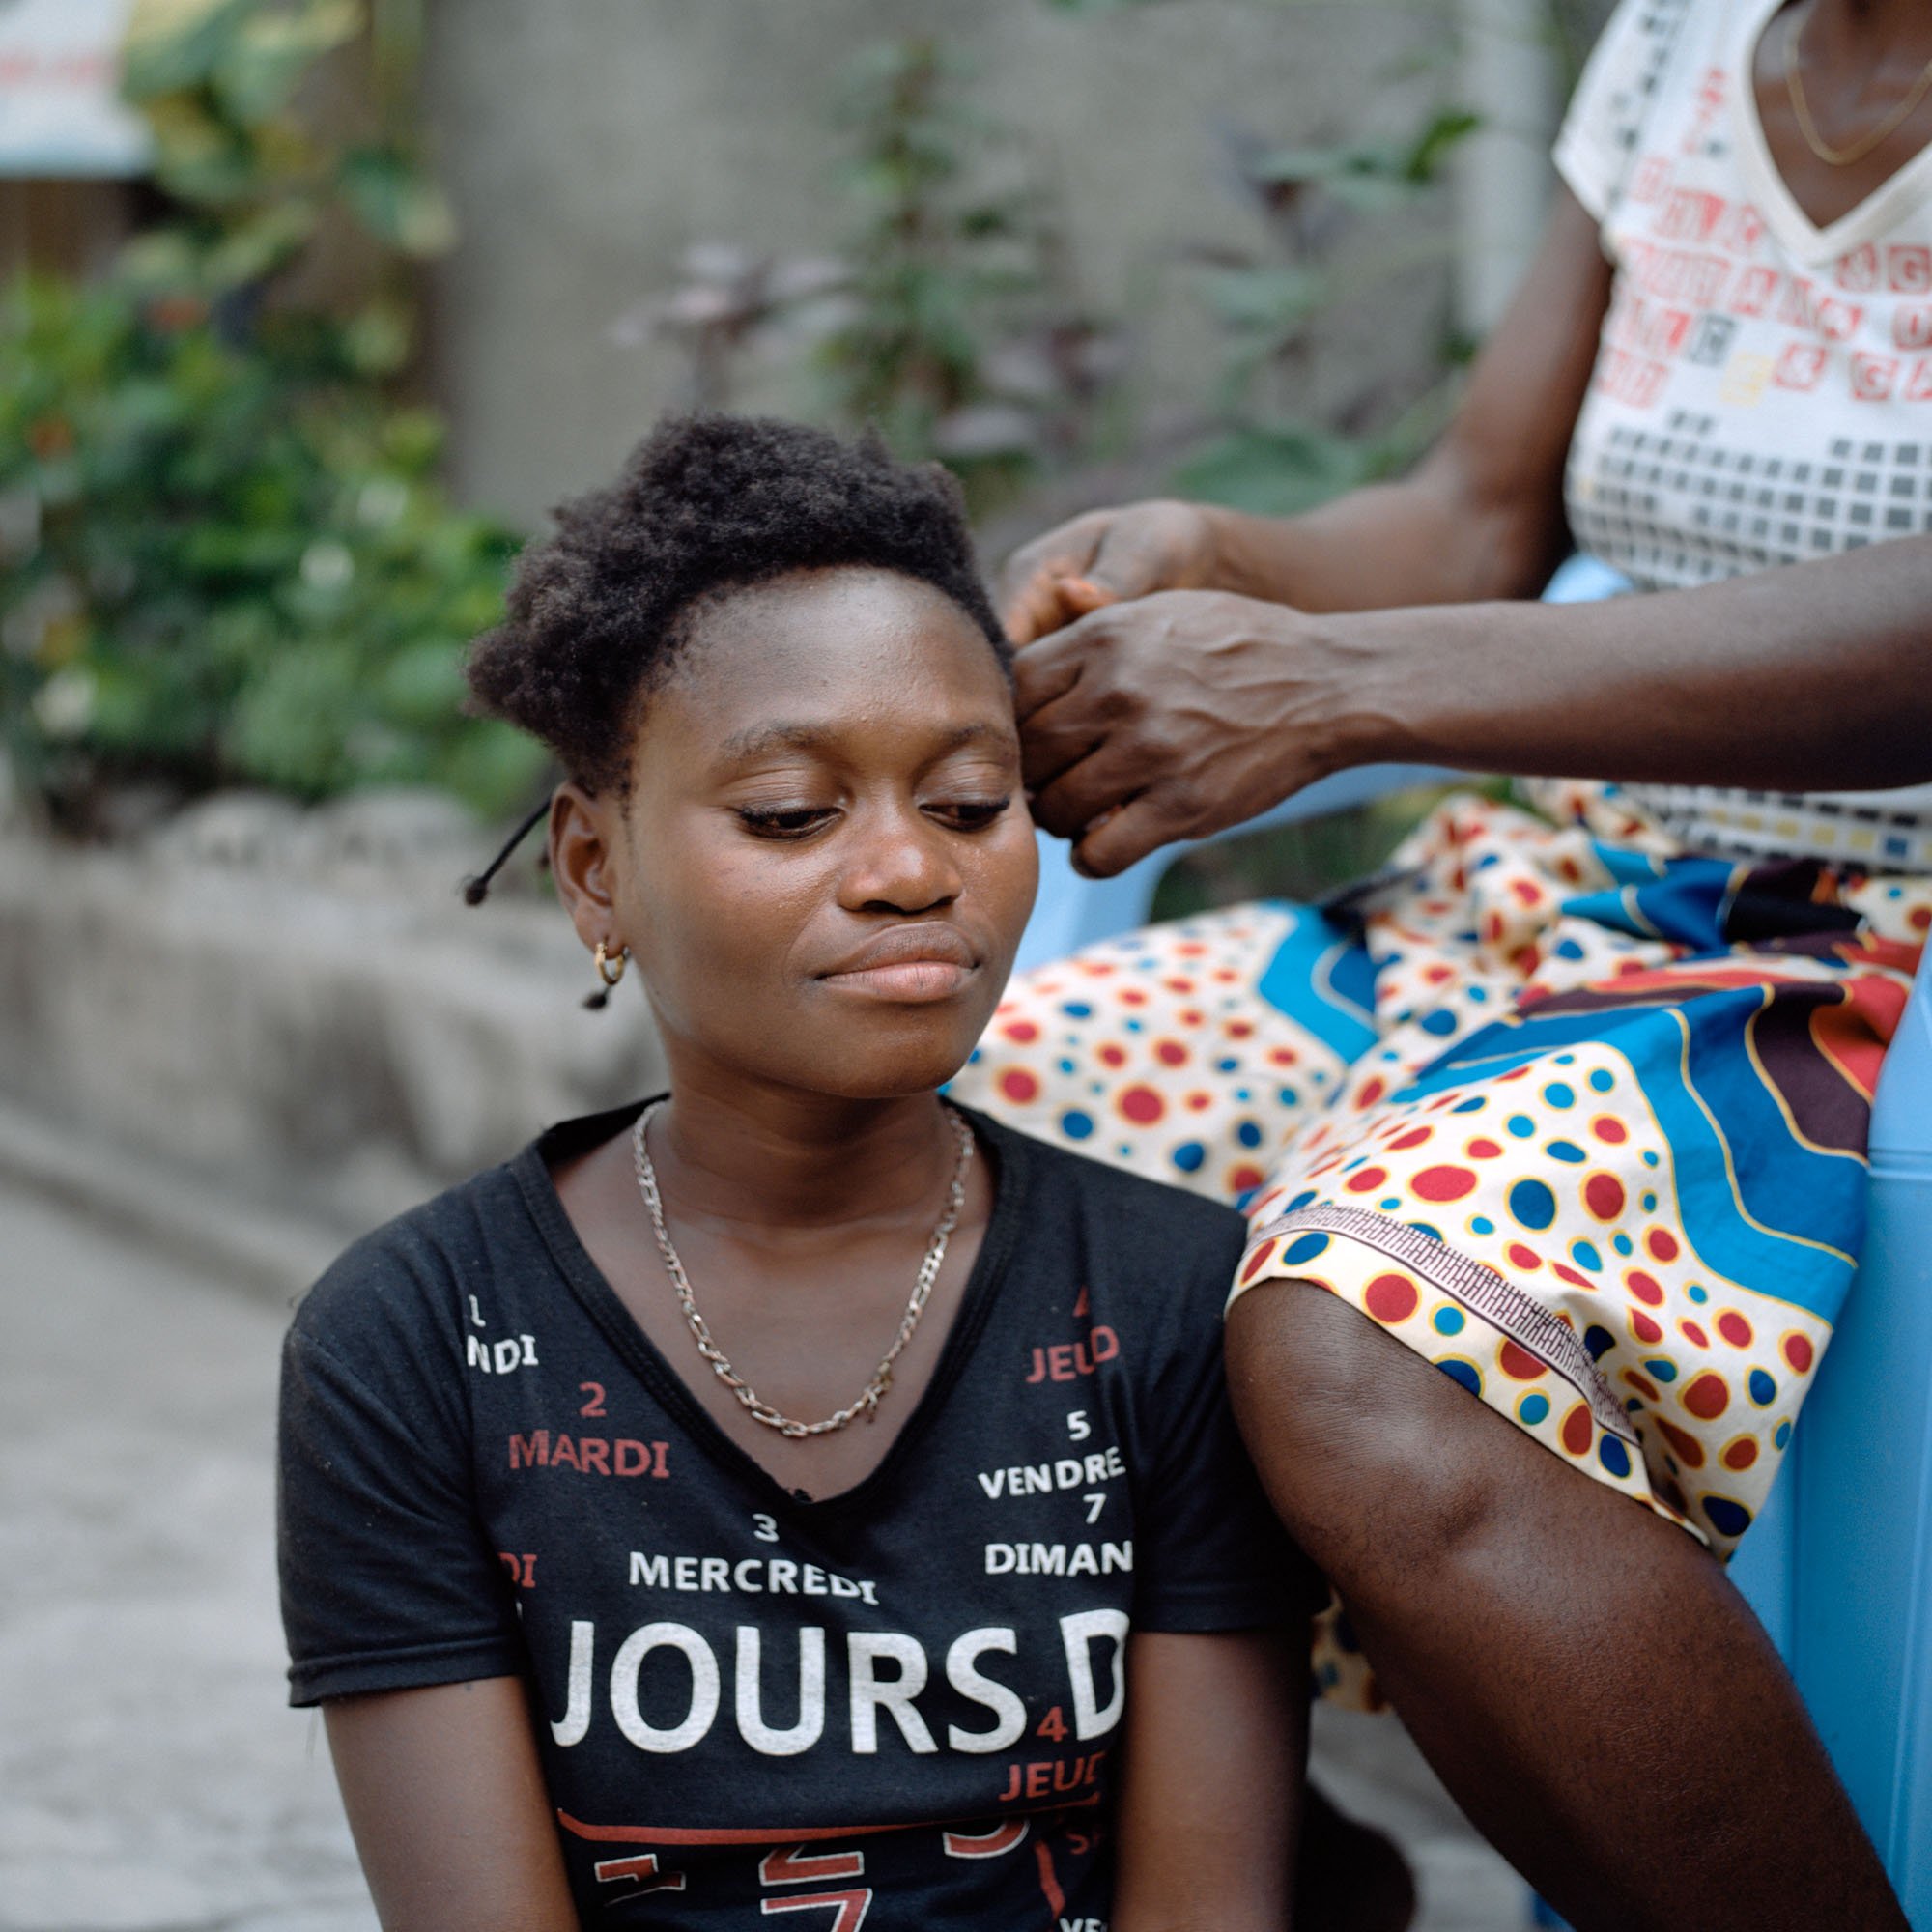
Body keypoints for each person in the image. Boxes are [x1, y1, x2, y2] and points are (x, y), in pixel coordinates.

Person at [949, 1, 1931, 1926]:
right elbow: (1484, 513)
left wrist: (1339, 689)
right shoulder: (1685, 34)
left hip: (1847, 954)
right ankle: (1272, 1882)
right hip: (1543, 894)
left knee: (1374, 1336)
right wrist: (1221, 557)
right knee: (927, 1170)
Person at [275, 415, 1325, 1931]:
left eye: (970, 802)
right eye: (790, 814)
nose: (909, 870)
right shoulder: (416, 1338)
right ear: (594, 871)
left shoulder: (1169, 1301)